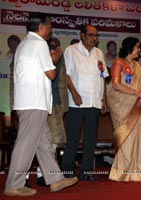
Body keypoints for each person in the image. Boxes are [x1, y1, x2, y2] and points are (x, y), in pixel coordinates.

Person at [3, 12, 78, 196]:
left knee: (44, 142)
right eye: (50, 28)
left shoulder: (25, 43)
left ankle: (56, 179)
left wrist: (51, 61)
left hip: (32, 102)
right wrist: (55, 60)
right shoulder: (39, 44)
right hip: (34, 102)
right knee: (26, 144)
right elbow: (51, 74)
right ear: (42, 27)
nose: (50, 31)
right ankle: (14, 184)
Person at [61, 24, 109, 182]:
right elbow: (66, 75)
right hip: (77, 102)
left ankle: (86, 171)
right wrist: (74, 93)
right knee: (73, 138)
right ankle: (67, 169)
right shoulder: (72, 50)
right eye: (90, 35)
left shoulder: (99, 53)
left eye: (96, 35)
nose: (94, 38)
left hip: (94, 101)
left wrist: (104, 100)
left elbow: (102, 77)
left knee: (91, 139)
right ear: (82, 35)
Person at [107, 37, 141, 181]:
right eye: (137, 47)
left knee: (139, 135)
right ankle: (122, 171)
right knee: (125, 136)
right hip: (121, 104)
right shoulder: (118, 63)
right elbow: (115, 84)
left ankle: (139, 171)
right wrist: (136, 93)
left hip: (138, 105)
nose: (139, 50)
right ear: (130, 48)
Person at [30, 37, 69, 187]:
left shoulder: (59, 56)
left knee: (53, 142)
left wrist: (63, 106)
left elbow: (61, 81)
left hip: (54, 103)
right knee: (30, 142)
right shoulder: (34, 54)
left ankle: (44, 175)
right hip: (35, 103)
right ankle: (23, 177)